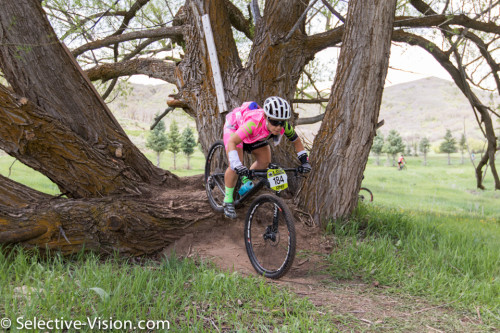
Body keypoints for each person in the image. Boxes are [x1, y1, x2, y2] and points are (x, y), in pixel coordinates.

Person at [222, 96, 311, 219]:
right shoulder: (253, 123)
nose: (279, 127)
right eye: (275, 122)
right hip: (235, 128)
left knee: (265, 162)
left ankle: (246, 180)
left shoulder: (283, 126)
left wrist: (304, 162)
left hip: (256, 135)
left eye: (282, 122)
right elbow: (232, 141)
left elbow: (296, 141)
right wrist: (236, 163)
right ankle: (227, 200)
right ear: (266, 117)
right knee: (235, 165)